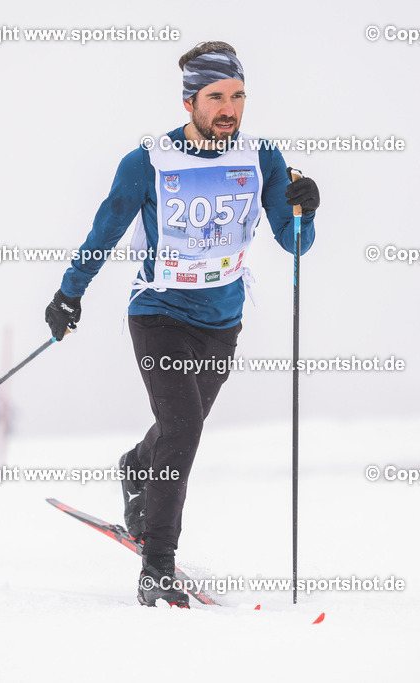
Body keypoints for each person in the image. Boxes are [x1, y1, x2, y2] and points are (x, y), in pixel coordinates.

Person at [45, 42, 320, 607]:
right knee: (186, 429)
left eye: (238, 96)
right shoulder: (147, 162)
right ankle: (158, 565)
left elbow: (293, 244)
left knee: (175, 431)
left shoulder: (260, 157)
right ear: (190, 99)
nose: (229, 109)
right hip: (159, 314)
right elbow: (105, 232)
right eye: (216, 97)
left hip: (223, 321)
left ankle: (135, 466)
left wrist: (305, 209)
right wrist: (69, 294)